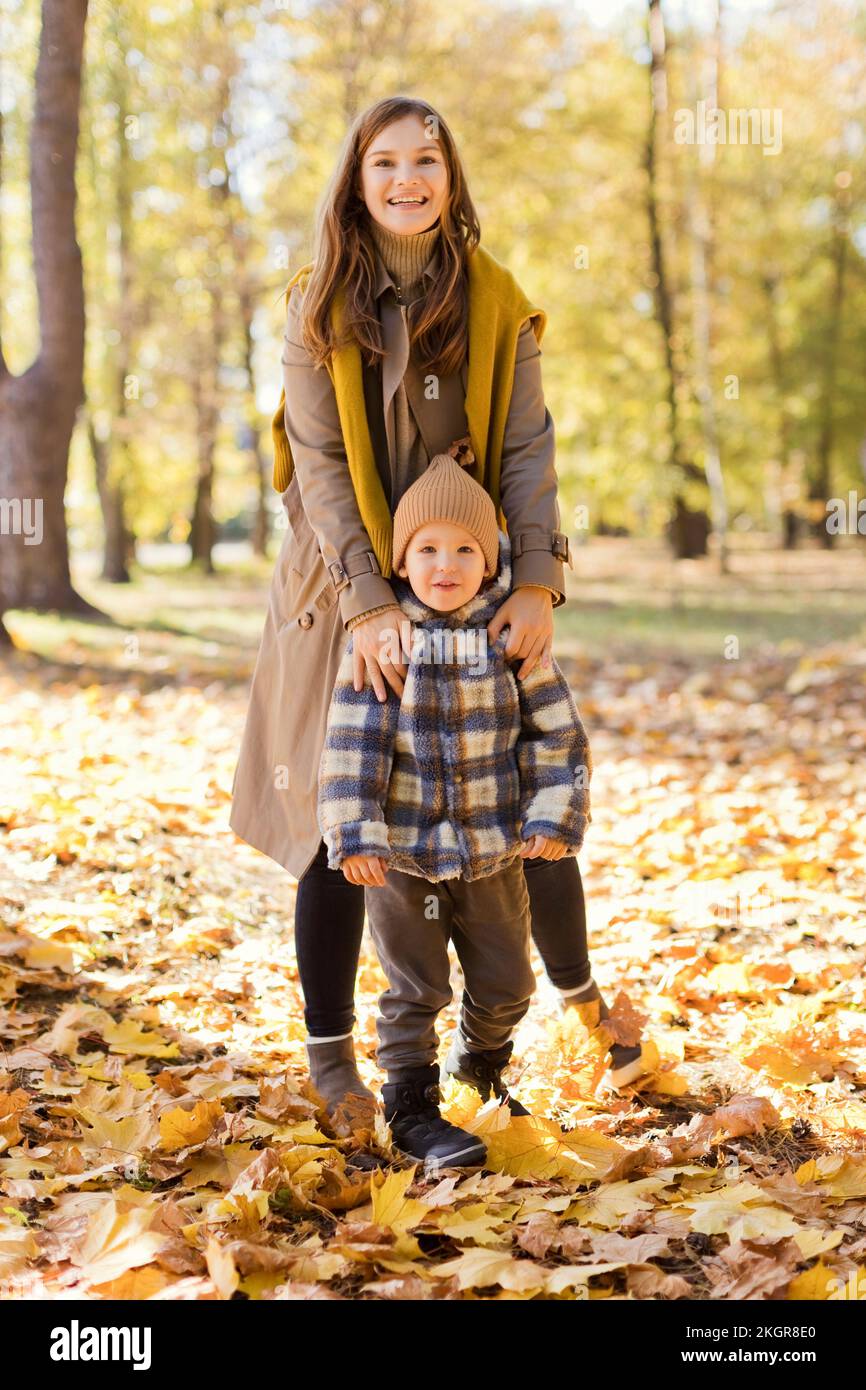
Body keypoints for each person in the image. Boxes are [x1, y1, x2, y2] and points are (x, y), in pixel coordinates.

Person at [229, 95, 648, 1116]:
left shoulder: (495, 297)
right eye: (384, 163)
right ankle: (335, 1061)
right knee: (341, 819)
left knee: (517, 798)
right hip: (344, 586)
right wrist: (371, 601)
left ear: (450, 177)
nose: (406, 179)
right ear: (355, 180)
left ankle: (572, 1005)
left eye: (426, 160)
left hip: (473, 574)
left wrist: (538, 578)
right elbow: (322, 467)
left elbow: (528, 449)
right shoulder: (315, 303)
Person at [318, 449, 593, 1170]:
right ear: (402, 561)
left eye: (466, 548)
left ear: (492, 554)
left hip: (492, 850)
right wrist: (355, 833)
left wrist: (551, 816)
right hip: (403, 857)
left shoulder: (511, 639)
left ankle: (482, 1067)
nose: (447, 563)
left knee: (508, 982)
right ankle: (412, 1104)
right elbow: (353, 745)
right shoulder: (385, 642)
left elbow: (556, 735)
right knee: (416, 987)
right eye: (428, 548)